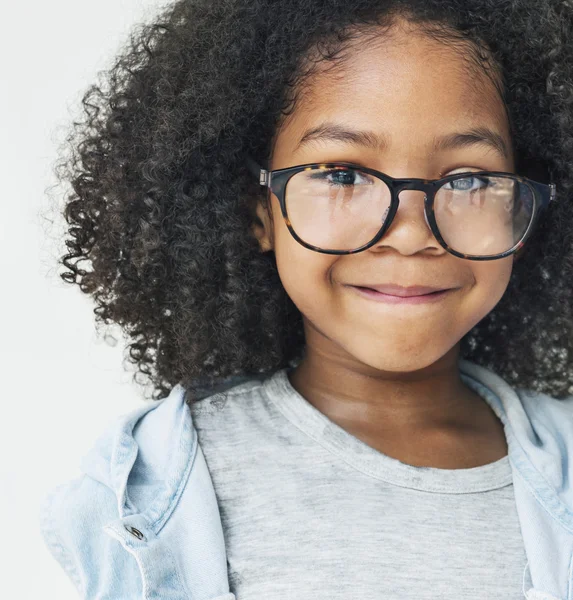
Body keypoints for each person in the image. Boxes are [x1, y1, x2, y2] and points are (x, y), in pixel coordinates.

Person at [39, 0, 573, 598]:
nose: (411, 234)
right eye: (343, 175)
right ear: (259, 211)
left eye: (469, 180)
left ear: (524, 211)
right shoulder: (142, 494)